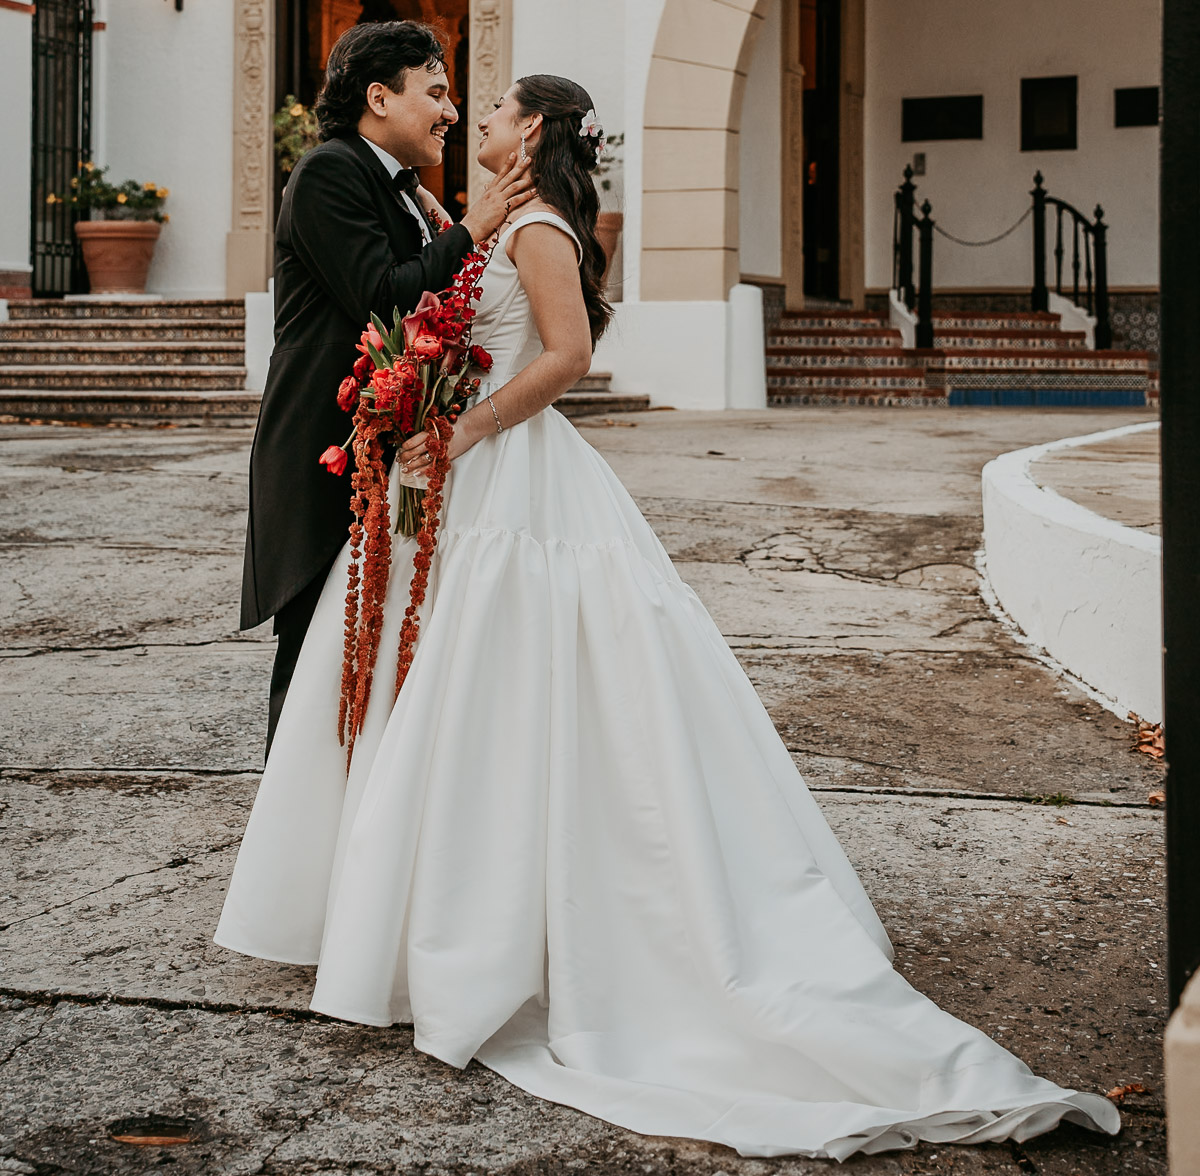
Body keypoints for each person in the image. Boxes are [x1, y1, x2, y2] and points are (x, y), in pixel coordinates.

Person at [217, 73, 1120, 1159]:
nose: (475, 119)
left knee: (510, 687)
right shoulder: (485, 220)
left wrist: (460, 432)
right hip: (461, 476)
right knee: (450, 694)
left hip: (514, 478)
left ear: (534, 131)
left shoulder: (543, 225)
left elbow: (565, 357)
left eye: (495, 110)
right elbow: (439, 311)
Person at [242, 21, 533, 751]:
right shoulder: (330, 171)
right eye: (435, 92)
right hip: (324, 444)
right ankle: (293, 826)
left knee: (369, 640)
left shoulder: (402, 189)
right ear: (378, 97)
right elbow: (383, 294)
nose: (452, 112)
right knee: (317, 647)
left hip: (384, 444)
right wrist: (473, 226)